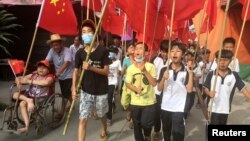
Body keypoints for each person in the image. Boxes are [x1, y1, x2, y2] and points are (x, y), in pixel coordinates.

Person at [72, 19, 111, 141]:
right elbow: (75, 71)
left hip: (101, 90)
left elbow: (106, 71)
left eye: (89, 31)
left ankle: (104, 128)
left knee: (101, 114)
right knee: (83, 119)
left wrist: (91, 67)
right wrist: (73, 87)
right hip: (86, 90)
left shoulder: (103, 51)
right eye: (83, 32)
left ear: (94, 34)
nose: (86, 34)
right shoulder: (79, 53)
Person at [203, 49, 250, 125]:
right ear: (216, 60)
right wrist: (209, 93)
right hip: (213, 108)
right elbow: (205, 87)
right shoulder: (211, 74)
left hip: (225, 109)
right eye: (220, 60)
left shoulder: (234, 75)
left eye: (226, 60)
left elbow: (243, 89)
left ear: (231, 61)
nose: (222, 62)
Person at [158, 42, 193, 141]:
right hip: (165, 106)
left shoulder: (187, 71)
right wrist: (163, 79)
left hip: (179, 107)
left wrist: (190, 73)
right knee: (166, 132)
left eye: (178, 51)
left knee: (178, 133)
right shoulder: (164, 69)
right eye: (172, 51)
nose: (174, 53)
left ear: (183, 54)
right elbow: (159, 88)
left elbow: (189, 89)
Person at [122, 42, 157, 141]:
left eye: (141, 49)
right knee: (136, 126)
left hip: (149, 102)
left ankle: (147, 134)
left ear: (146, 53)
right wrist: (135, 89)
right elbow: (127, 83)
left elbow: (154, 83)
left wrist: (144, 71)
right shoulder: (130, 68)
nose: (137, 50)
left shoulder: (151, 67)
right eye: (136, 49)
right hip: (135, 102)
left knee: (146, 124)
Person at [12, 60, 54, 133]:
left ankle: (27, 125)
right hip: (30, 95)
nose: (41, 69)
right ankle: (27, 126)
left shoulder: (50, 76)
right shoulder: (34, 75)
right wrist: (18, 80)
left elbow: (46, 82)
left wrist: (29, 81)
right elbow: (20, 78)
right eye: (39, 67)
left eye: (44, 67)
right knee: (14, 94)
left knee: (22, 103)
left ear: (48, 70)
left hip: (41, 97)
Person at [45, 34, 74, 119]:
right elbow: (46, 61)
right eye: (53, 45)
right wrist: (41, 67)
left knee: (64, 93)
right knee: (66, 92)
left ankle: (61, 112)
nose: (55, 47)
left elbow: (66, 63)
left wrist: (58, 72)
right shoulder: (51, 50)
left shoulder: (67, 50)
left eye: (57, 44)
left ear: (61, 44)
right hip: (60, 76)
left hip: (69, 74)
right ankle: (72, 104)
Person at [150, 39, 169, 140]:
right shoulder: (155, 60)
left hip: (168, 92)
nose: (165, 54)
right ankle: (157, 131)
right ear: (160, 50)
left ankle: (166, 131)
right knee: (157, 112)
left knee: (165, 113)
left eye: (167, 51)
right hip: (156, 90)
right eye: (163, 51)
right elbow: (151, 74)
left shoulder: (173, 61)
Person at [106, 47, 121, 126]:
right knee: (106, 99)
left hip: (113, 82)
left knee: (109, 99)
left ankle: (109, 118)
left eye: (112, 52)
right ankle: (113, 105)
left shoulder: (118, 62)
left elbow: (120, 72)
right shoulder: (105, 61)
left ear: (115, 54)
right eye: (109, 52)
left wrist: (120, 72)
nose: (110, 54)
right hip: (105, 82)